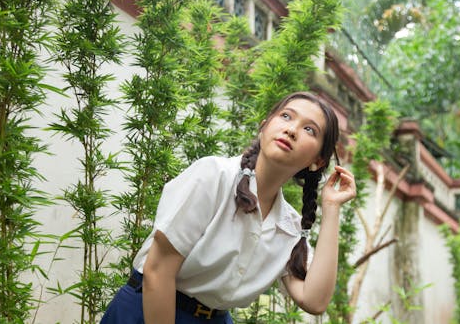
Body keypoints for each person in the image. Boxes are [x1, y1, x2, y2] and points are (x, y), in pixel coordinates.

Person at [101, 91, 356, 324]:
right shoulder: (214, 176)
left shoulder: (288, 225)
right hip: (149, 308)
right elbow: (157, 272)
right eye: (286, 116)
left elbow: (314, 300)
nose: (291, 130)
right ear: (265, 126)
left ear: (317, 160)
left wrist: (331, 207)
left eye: (309, 129)